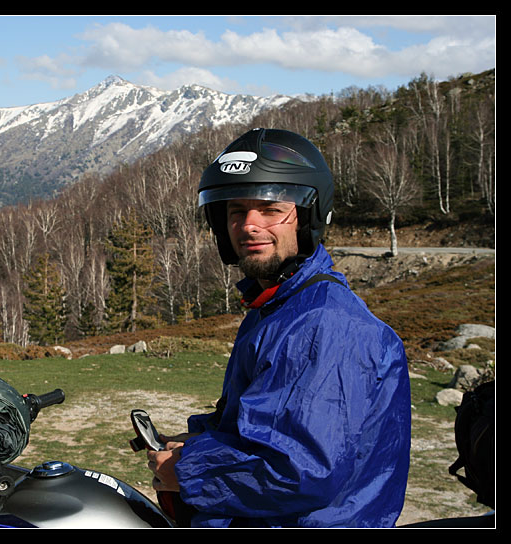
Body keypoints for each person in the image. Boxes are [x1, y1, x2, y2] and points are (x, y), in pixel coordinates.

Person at [146, 128, 411, 528]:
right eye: (237, 211)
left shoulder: (324, 325)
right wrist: (195, 443)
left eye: (270, 210)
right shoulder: (277, 305)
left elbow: (300, 471)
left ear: (307, 217)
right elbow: (260, 424)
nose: (249, 225)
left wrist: (187, 472)